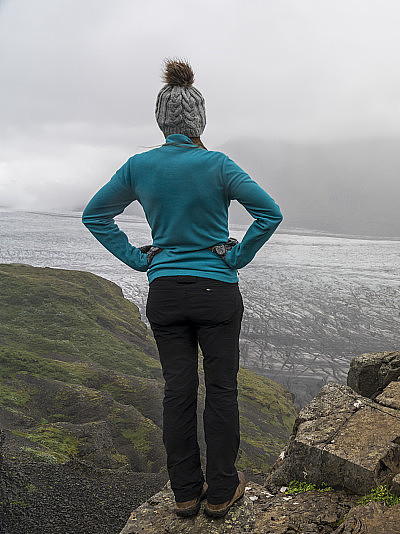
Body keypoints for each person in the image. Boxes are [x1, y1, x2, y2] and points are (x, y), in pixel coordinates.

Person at [82, 59, 283, 518]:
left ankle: (186, 494)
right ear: (199, 120)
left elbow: (95, 216)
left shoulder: (138, 166)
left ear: (161, 119)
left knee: (177, 392)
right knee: (222, 391)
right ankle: (222, 493)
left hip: (166, 293)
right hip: (217, 293)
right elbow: (269, 213)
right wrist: (234, 256)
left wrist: (139, 258)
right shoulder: (217, 164)